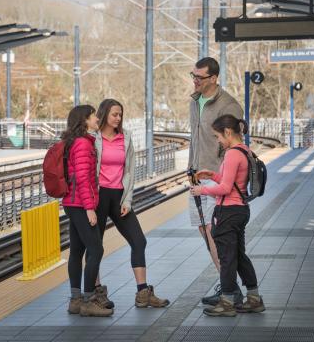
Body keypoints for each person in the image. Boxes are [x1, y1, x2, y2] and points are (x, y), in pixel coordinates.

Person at [92, 99, 169, 309]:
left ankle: (143, 293)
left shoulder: (125, 138)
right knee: (95, 247)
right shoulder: (93, 138)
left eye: (120, 114)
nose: (118, 118)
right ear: (104, 113)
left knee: (139, 241)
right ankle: (96, 293)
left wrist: (127, 199)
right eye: (114, 114)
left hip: (119, 197)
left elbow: (130, 170)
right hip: (98, 197)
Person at [191, 115, 265, 317]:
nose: (218, 141)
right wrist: (211, 175)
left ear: (228, 133)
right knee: (239, 256)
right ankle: (254, 298)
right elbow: (232, 182)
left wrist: (202, 191)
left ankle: (227, 302)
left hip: (228, 212)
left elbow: (225, 188)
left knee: (227, 259)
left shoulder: (232, 153)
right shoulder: (245, 150)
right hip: (240, 210)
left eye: (218, 136)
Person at [188, 57, 243, 306]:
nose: (195, 80)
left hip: (218, 177)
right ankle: (227, 285)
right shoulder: (194, 101)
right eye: (193, 75)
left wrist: (220, 172)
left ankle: (230, 290)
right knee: (204, 229)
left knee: (215, 232)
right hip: (196, 175)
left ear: (213, 78)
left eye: (199, 77)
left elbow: (234, 142)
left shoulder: (229, 104)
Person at [61, 105, 112, 317]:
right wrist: (90, 208)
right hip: (80, 204)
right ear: (84, 121)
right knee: (96, 249)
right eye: (93, 116)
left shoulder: (77, 142)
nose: (97, 118)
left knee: (77, 251)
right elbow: (82, 179)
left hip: (73, 203)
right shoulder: (82, 144)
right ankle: (89, 300)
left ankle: (75, 300)